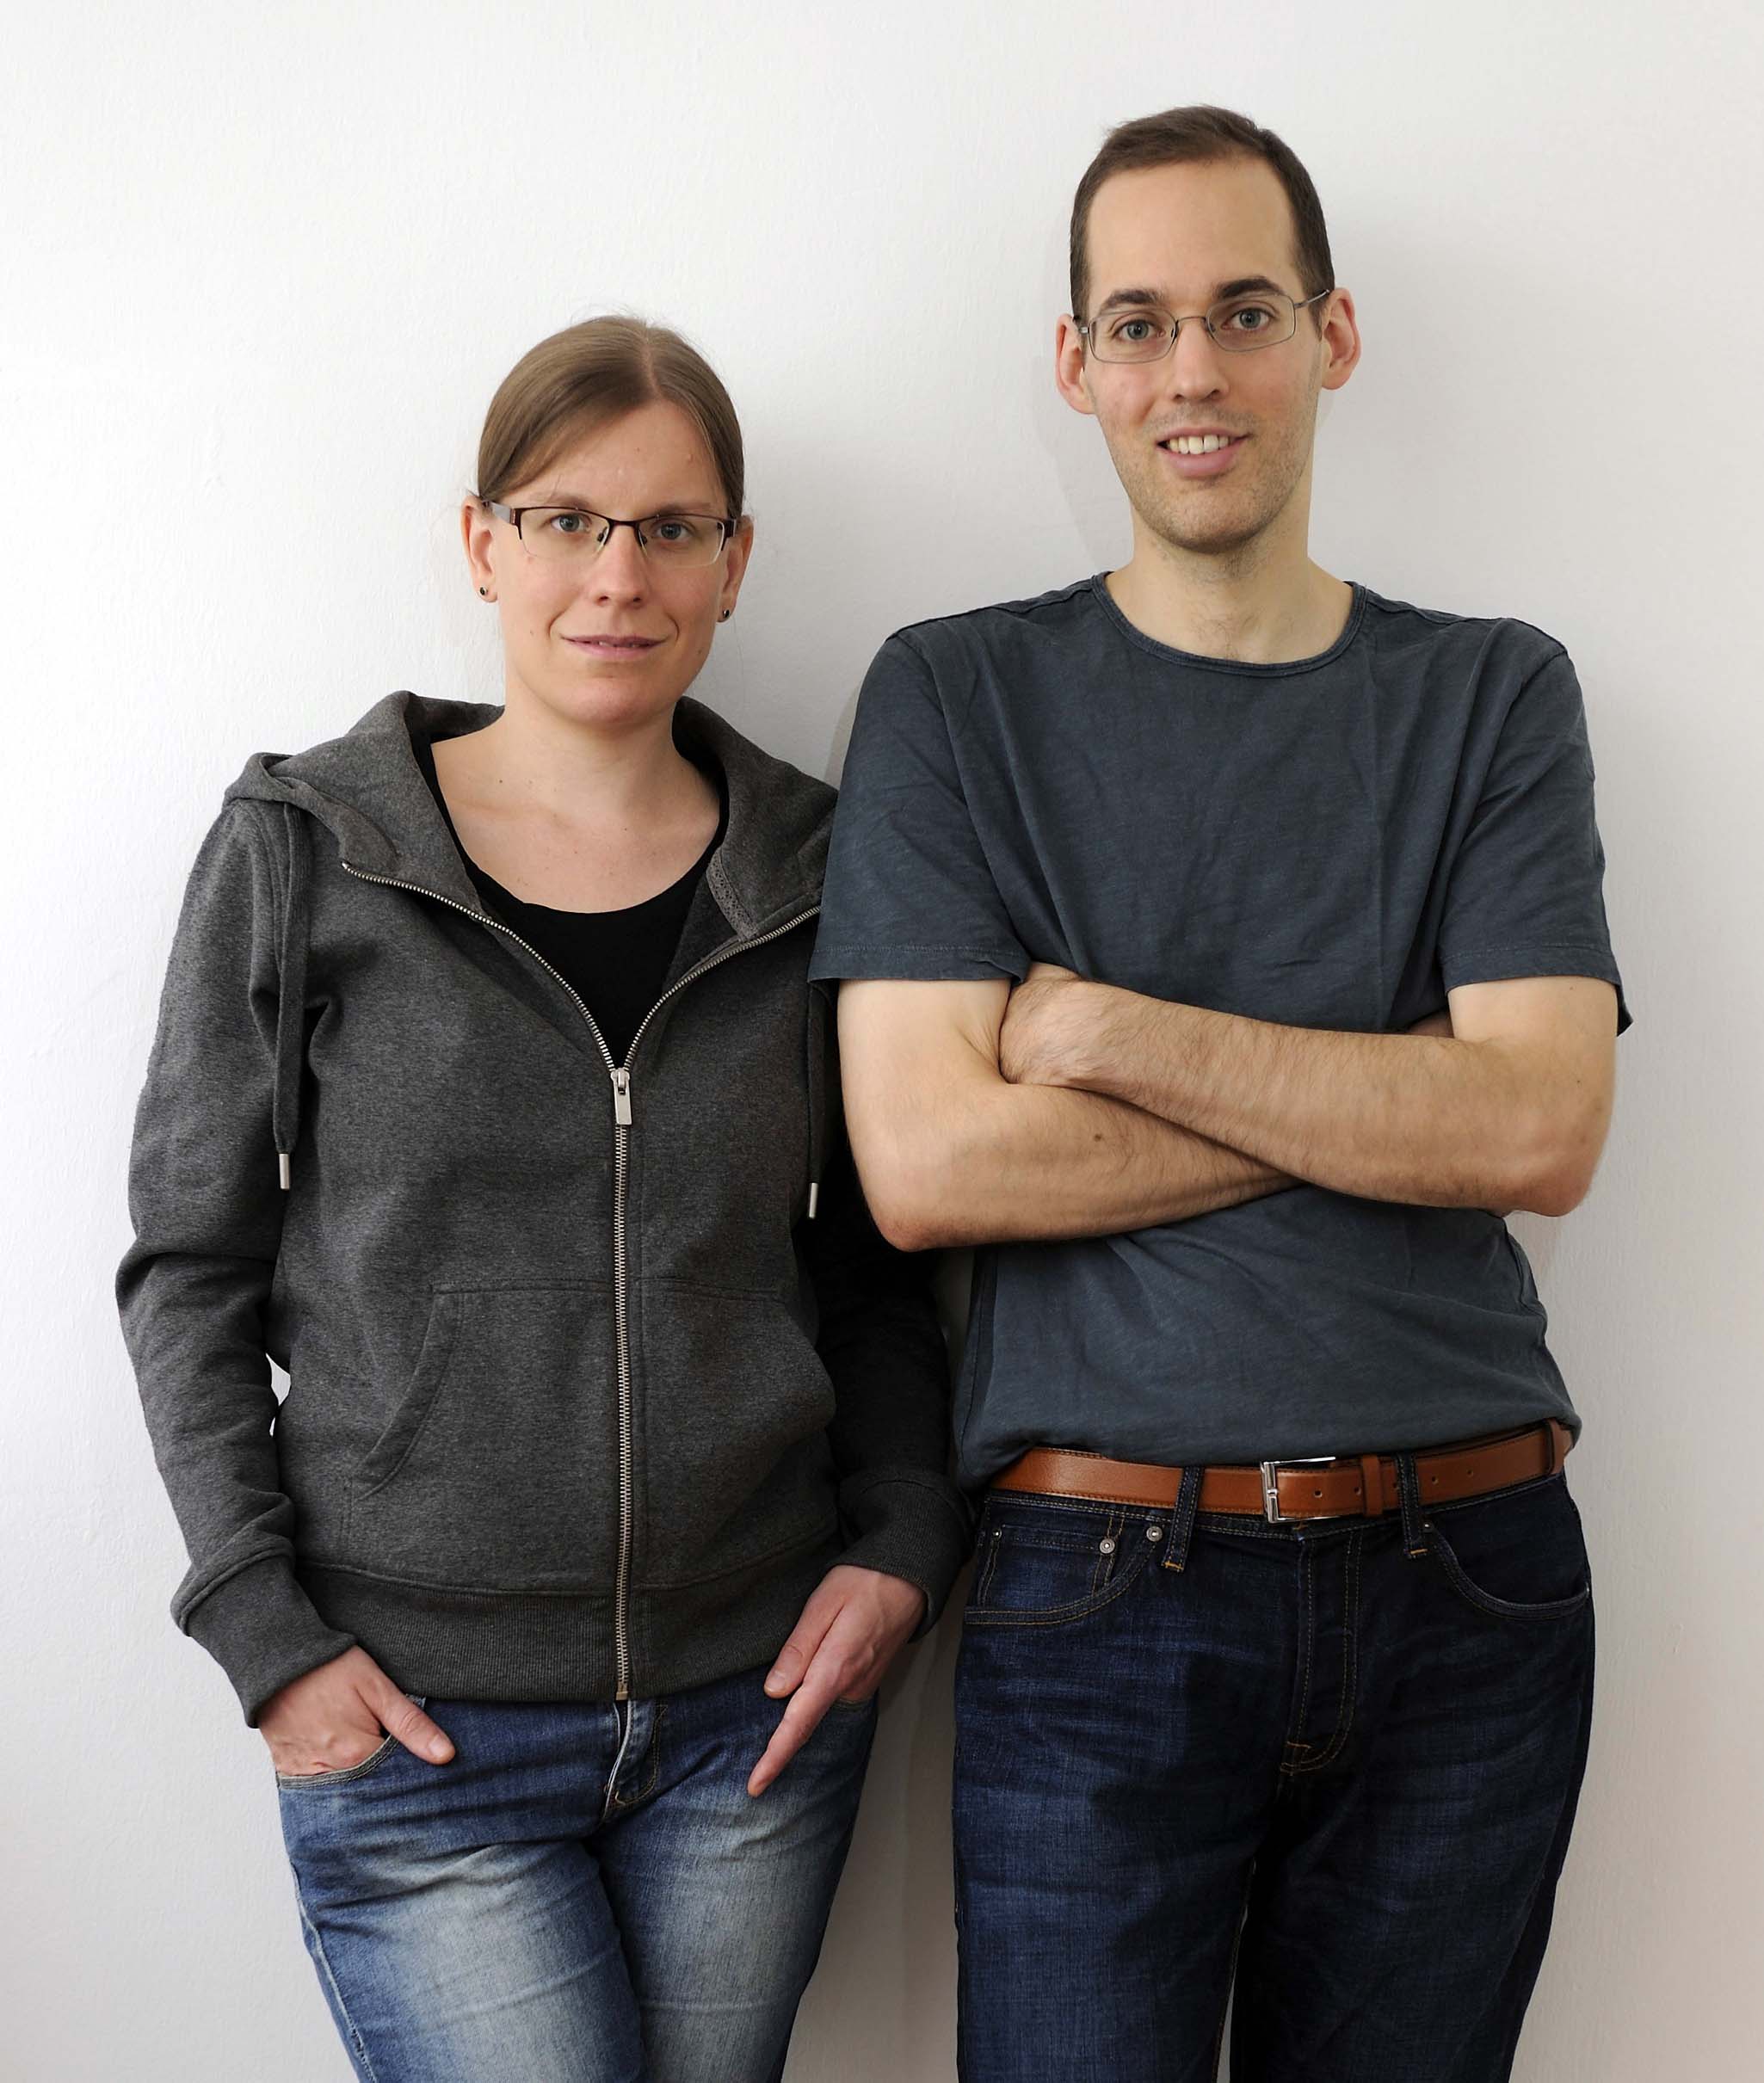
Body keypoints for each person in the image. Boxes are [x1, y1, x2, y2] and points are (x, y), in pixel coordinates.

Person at [811, 106, 1628, 2081]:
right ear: (1076, 363)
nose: (1195, 370)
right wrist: (1380, 1086)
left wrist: (1110, 1031)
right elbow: (923, 1166)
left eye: (1243, 311)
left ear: (1330, 334)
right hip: (1100, 1593)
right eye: (1142, 321)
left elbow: (1538, 1132)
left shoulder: (1489, 695)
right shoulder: (953, 694)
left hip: (1471, 1585)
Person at [116, 314, 968, 2083]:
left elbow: (873, 1258)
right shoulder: (306, 849)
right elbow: (189, 1268)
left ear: (735, 563)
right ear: (480, 539)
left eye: (671, 526)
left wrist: (898, 1545)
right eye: (568, 517)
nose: (618, 572)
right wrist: (267, 1642)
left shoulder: (822, 873)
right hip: (420, 1731)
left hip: (751, 1713)